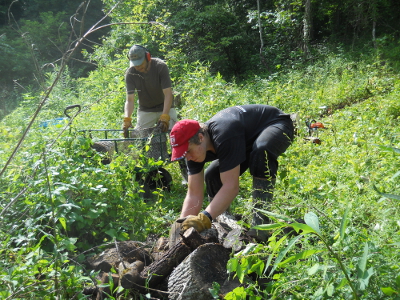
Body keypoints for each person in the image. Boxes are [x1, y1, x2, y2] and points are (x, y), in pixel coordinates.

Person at [169, 104, 294, 242]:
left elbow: (231, 187)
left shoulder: (224, 134)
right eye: (183, 154)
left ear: (200, 137)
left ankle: (260, 227)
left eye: (188, 151)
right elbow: (193, 194)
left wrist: (204, 218)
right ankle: (225, 226)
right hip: (245, 140)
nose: (188, 157)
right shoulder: (193, 151)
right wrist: (182, 226)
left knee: (261, 152)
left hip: (276, 124)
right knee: (212, 175)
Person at [122, 45, 178, 135]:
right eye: (135, 64)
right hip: (146, 109)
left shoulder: (160, 66)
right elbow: (130, 100)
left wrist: (165, 116)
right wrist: (127, 118)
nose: (138, 67)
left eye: (140, 63)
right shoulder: (130, 73)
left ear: (148, 57)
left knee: (175, 134)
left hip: (165, 106)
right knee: (140, 138)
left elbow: (168, 94)